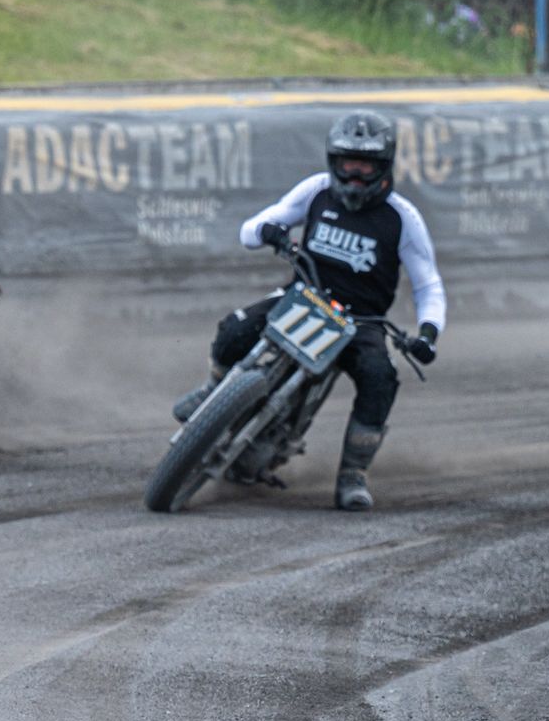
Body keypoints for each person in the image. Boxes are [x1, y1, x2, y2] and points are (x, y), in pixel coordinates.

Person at [170, 111, 446, 511]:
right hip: (305, 295)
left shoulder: (402, 218)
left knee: (380, 378)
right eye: (347, 163)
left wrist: (428, 335)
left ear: (383, 167)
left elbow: (429, 285)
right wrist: (268, 230)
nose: (354, 174)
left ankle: (354, 472)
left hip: (360, 321)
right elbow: (251, 229)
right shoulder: (316, 191)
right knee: (233, 330)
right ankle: (212, 392)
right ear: (333, 161)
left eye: (364, 165)